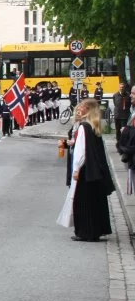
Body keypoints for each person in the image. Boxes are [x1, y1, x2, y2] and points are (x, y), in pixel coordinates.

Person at [58, 99, 114, 241]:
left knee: (83, 201)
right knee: (94, 200)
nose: (79, 109)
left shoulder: (84, 127)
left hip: (85, 170)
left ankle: (86, 231)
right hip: (94, 170)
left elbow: (81, 151)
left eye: (82, 107)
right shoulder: (92, 126)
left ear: (88, 110)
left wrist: (76, 169)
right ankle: (96, 230)